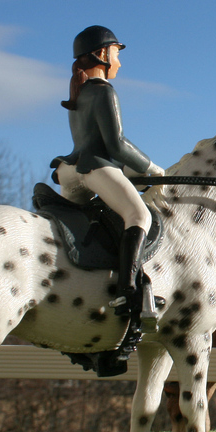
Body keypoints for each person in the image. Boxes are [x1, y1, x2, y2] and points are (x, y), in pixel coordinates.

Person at [51, 25, 165, 318]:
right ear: (102, 54)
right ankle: (128, 294)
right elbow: (115, 145)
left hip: (70, 169)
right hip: (95, 167)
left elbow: (92, 141)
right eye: (116, 54)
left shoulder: (77, 92)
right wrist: (151, 167)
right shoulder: (104, 91)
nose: (119, 62)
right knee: (139, 216)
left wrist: (129, 170)